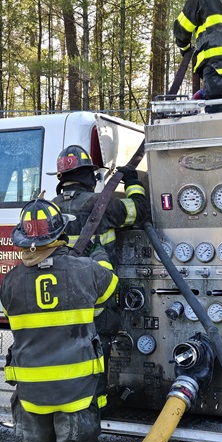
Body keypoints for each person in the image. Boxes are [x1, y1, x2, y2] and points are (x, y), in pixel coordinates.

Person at [0, 197, 118, 442]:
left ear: (22, 240)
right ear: (61, 233)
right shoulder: (85, 271)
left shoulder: (10, 283)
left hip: (31, 391)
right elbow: (109, 288)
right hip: (75, 390)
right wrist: (98, 252)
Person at [49, 145, 148, 368]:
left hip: (59, 306)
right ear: (88, 176)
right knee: (96, 369)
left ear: (61, 178)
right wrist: (132, 182)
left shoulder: (49, 210)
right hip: (98, 305)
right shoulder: (100, 204)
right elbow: (139, 210)